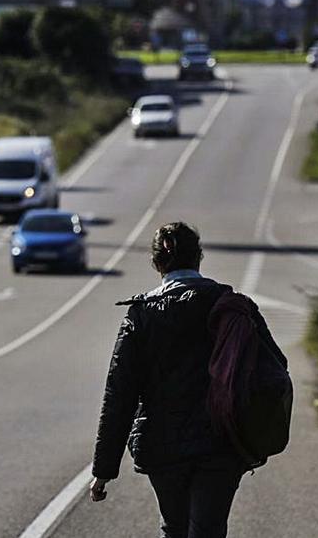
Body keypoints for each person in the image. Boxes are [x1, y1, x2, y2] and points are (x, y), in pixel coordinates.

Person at [90, 222, 250, 538]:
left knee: (175, 527)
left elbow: (119, 395)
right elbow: (270, 368)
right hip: (222, 442)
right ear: (198, 258)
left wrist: (103, 472)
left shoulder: (142, 315)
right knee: (209, 530)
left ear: (157, 263)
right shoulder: (229, 305)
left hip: (163, 447)